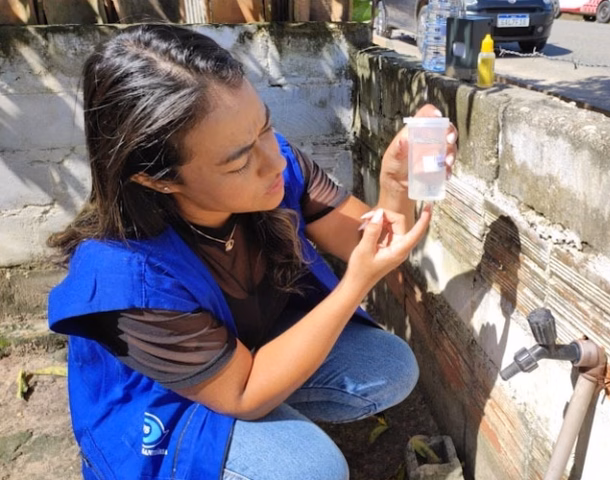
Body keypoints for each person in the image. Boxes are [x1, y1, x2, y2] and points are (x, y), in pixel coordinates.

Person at [46, 24, 457, 480]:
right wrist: (355, 284)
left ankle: (266, 436)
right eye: (240, 160)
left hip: (243, 353)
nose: (275, 160)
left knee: (388, 366)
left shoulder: (276, 168)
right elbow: (243, 392)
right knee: (312, 470)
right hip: (165, 404)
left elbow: (368, 240)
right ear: (158, 178)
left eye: (266, 126)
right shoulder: (126, 278)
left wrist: (396, 183)